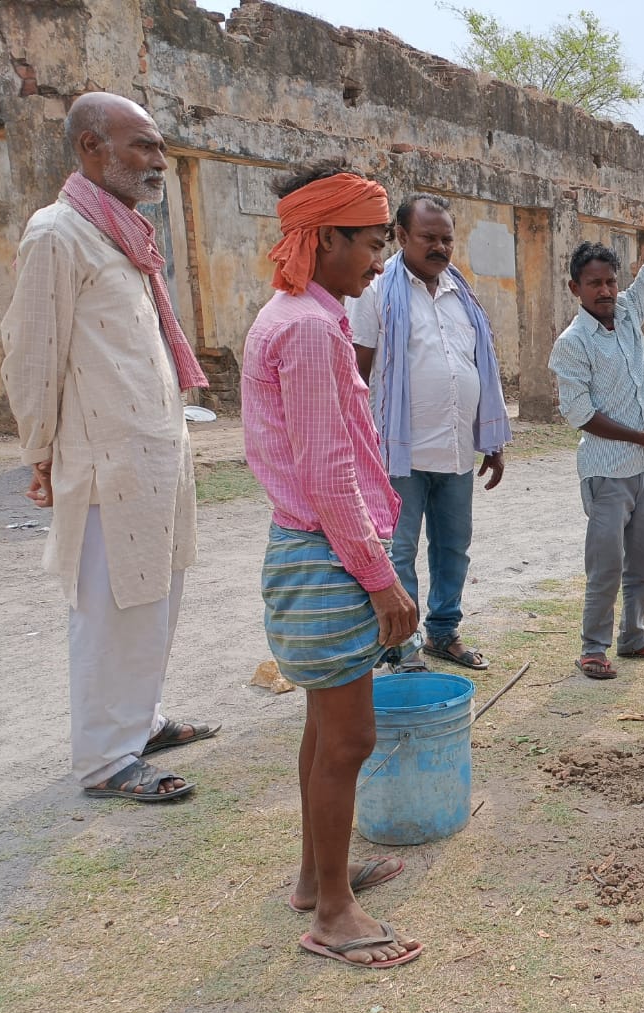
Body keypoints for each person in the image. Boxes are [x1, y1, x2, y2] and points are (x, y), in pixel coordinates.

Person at [1, 92, 219, 802]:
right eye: (143, 146)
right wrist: (41, 450)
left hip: (156, 452)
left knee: (155, 596)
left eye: (159, 147)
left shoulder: (121, 233)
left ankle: (141, 723)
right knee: (110, 606)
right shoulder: (57, 233)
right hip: (103, 458)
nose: (158, 160)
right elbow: (29, 355)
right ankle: (106, 761)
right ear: (91, 148)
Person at [241, 158, 421, 969]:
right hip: (326, 558)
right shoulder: (310, 329)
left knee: (324, 730)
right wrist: (380, 578)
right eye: (373, 243)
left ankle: (318, 879)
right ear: (325, 237)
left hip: (310, 552)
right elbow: (327, 473)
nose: (381, 262)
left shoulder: (296, 314)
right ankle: (335, 916)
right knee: (349, 740)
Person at [348, 192, 512, 673]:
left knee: (452, 549)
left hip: (457, 449)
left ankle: (444, 633)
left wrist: (492, 442)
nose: (440, 248)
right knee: (398, 552)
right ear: (401, 237)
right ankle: (402, 645)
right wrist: (361, 448)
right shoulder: (376, 293)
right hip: (399, 454)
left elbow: (476, 366)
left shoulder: (463, 294)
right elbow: (357, 375)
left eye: (447, 239)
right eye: (428, 238)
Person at [549, 162, 644, 680]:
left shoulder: (629, 311)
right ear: (575, 288)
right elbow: (581, 415)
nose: (605, 291)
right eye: (594, 284)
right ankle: (592, 646)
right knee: (605, 566)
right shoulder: (571, 344)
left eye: (609, 281)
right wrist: (641, 436)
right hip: (606, 472)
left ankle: (633, 635)